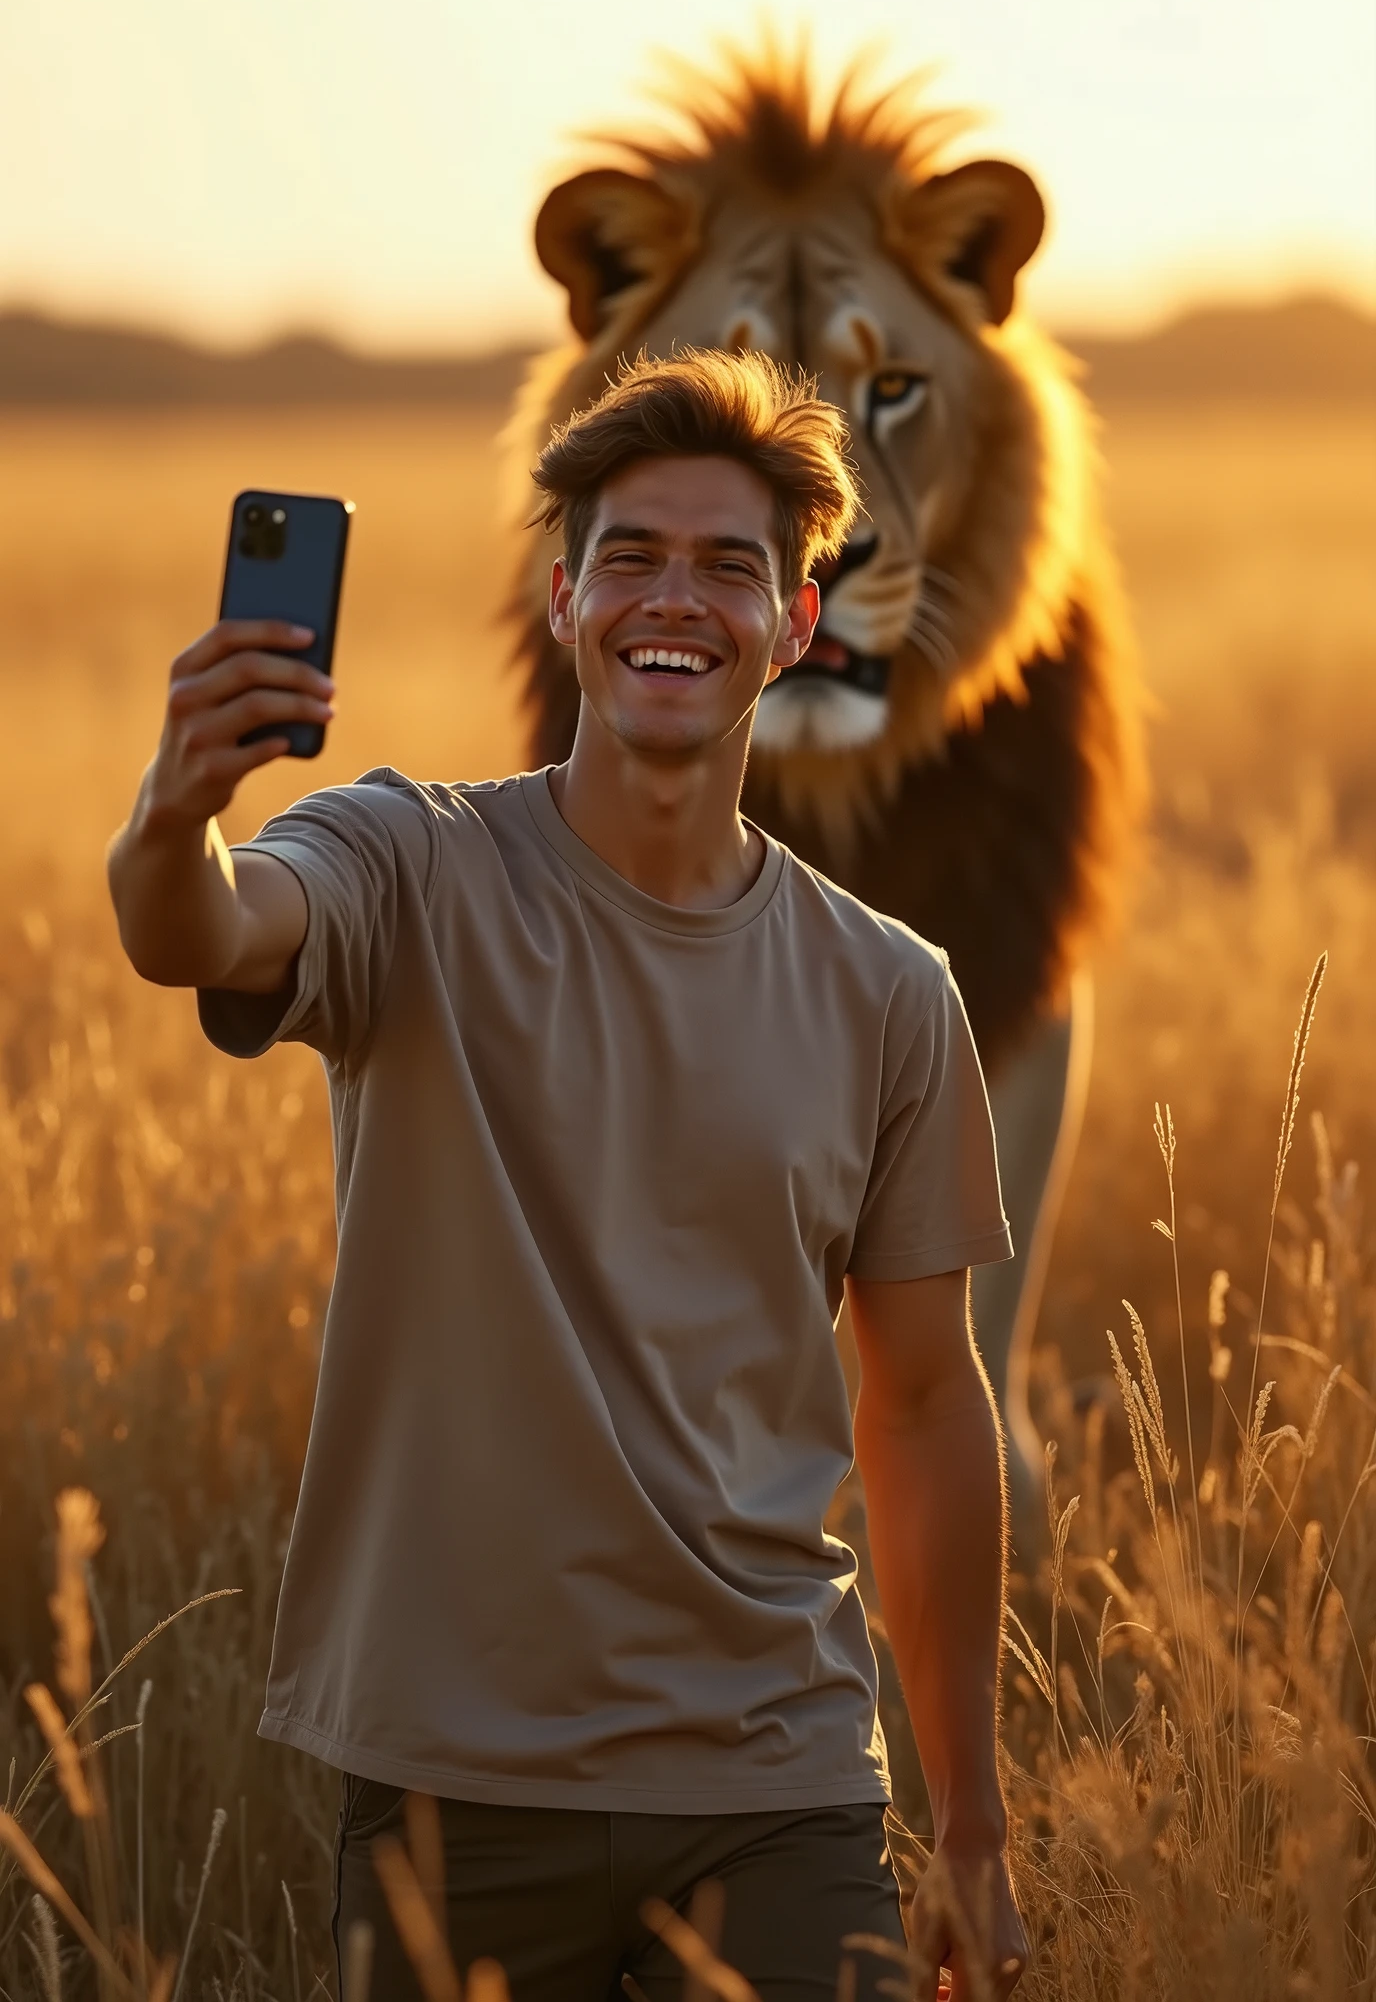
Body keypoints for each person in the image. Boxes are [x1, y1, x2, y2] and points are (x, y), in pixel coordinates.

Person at [107, 348, 1028, 2002]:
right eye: (632, 557)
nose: (675, 600)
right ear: (563, 598)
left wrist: (970, 1820)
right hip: (459, 1783)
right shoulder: (409, 861)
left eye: (731, 566)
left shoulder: (890, 991)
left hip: (782, 1784)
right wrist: (174, 816)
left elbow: (922, 1407)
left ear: (797, 625)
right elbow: (204, 928)